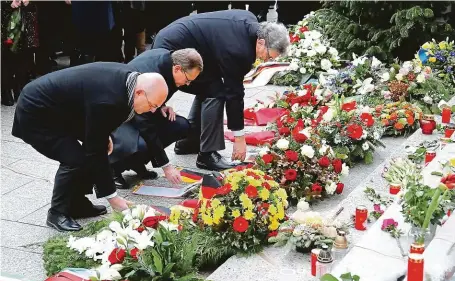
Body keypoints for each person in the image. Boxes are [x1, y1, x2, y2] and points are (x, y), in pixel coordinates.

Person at [11, 62, 168, 232]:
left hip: (62, 110)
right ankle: (56, 213)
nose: (153, 111)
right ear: (139, 92)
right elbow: (96, 151)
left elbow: (94, 116)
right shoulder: (110, 101)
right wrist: (113, 197)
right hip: (36, 112)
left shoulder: (130, 81)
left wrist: (102, 133)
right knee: (74, 159)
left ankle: (76, 204)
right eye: (152, 105)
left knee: (87, 154)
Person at [152, 9, 290, 171]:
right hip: (173, 49)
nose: (267, 60)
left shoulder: (250, 21)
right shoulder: (240, 51)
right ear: (260, 42)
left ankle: (190, 141)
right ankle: (207, 154)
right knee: (216, 91)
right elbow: (235, 93)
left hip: (183, 40)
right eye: (269, 56)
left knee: (211, 85)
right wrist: (239, 138)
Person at [109, 48, 203, 189]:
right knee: (141, 145)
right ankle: (113, 169)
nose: (187, 84)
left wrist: (161, 105)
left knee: (180, 125)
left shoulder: (169, 63)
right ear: (177, 69)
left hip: (142, 111)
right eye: (188, 80)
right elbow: (145, 125)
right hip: (119, 119)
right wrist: (166, 165)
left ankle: (137, 163)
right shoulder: (151, 71)